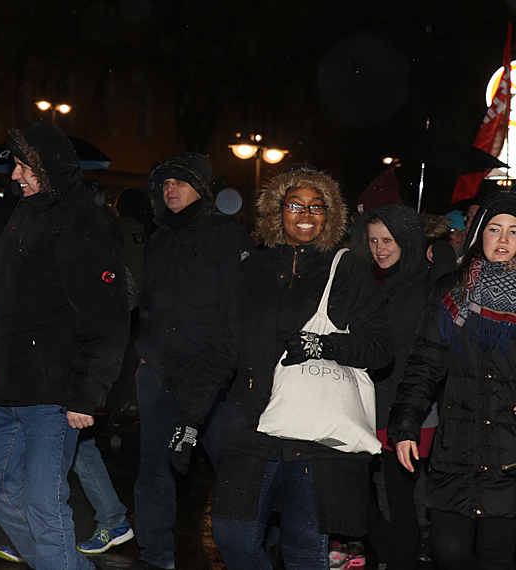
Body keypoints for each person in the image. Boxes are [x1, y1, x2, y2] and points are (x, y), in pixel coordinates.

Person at [173, 168, 392, 570]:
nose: (306, 213)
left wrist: (323, 345)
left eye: (316, 206)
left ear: (329, 215)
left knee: (304, 548)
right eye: (295, 205)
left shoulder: (348, 270)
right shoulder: (251, 270)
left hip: (314, 431)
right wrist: (190, 419)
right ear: (278, 211)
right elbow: (221, 351)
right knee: (231, 535)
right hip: (249, 425)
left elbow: (380, 348)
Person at [0, 119, 129, 570]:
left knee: (43, 503)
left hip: (54, 392)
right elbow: (11, 301)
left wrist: (86, 394)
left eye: (24, 167)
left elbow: (107, 317)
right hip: (11, 384)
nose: (15, 175)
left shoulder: (85, 222)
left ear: (48, 167)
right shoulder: (25, 211)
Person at [132, 153, 254, 570]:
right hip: (159, 374)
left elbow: (243, 306)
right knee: (154, 469)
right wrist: (144, 353)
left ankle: (254, 551)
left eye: (179, 183)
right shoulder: (158, 237)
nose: (170, 190)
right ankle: (156, 556)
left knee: (233, 470)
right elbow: (148, 302)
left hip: (211, 378)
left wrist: (234, 368)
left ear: (201, 189)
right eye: (165, 183)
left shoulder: (226, 235)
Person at [389, 190, 516, 570]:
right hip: (457, 446)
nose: (504, 239)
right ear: (479, 234)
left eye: (514, 231)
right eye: (494, 229)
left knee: (497, 558)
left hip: (510, 451)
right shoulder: (451, 290)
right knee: (448, 552)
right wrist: (406, 424)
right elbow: (425, 362)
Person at [351, 205, 451, 570]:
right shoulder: (377, 281)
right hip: (372, 402)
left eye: (388, 240)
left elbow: (449, 280)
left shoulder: (426, 280)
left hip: (412, 408)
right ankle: (389, 551)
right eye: (373, 240)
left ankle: (398, 560)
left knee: (399, 497)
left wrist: (441, 248)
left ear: (408, 240)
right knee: (355, 488)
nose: (379, 249)